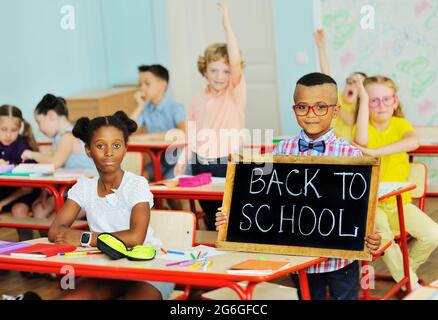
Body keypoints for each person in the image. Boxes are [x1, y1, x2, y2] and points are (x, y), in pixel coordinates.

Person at [216, 72, 381, 300]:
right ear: (294, 109)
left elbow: (361, 208)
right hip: (299, 257)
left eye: (320, 106)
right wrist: (232, 217)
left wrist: (370, 233)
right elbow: (263, 198)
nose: (311, 114)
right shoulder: (282, 151)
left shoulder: (351, 155)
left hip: (342, 257)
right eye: (303, 107)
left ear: (335, 110)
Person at [46, 111, 174, 300]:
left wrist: (84, 238)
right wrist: (81, 238)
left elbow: (135, 237)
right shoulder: (84, 187)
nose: (109, 152)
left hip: (150, 265)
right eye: (100, 146)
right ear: (88, 150)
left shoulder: (136, 184)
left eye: (116, 145)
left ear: (125, 148)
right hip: (108, 266)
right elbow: (54, 231)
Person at [354, 75, 438, 291]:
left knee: (433, 234)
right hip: (373, 207)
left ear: (395, 101)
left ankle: (405, 276)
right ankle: (410, 284)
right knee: (386, 239)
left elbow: (413, 141)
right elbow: (362, 142)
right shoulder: (362, 127)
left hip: (399, 203)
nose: (380, 105)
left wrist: (375, 153)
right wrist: (362, 97)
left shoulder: (400, 124)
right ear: (365, 104)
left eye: (386, 99)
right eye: (373, 100)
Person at [174, 3, 246, 230]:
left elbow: (234, 60)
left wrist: (227, 23)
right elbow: (192, 133)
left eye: (225, 71)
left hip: (226, 161)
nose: (220, 76)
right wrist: (183, 157)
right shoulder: (197, 99)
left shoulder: (234, 93)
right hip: (200, 161)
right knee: (209, 212)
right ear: (204, 70)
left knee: (229, 214)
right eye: (214, 70)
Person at [21, 94, 94, 220]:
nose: (39, 128)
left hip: (88, 193)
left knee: (55, 220)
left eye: (39, 122)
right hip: (69, 190)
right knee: (39, 211)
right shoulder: (58, 138)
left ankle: (54, 238)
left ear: (50, 116)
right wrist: (45, 192)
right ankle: (44, 239)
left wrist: (31, 154)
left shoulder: (68, 136)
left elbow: (54, 163)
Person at [130, 64, 186, 210]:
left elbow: (181, 133)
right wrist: (140, 105)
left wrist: (146, 137)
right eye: (140, 84)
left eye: (147, 83)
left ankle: (180, 217)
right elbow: (129, 129)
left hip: (177, 161)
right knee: (141, 178)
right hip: (158, 162)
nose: (142, 88)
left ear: (162, 86)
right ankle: (154, 216)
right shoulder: (146, 108)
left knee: (166, 186)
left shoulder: (175, 108)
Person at [314, 28, 367, 141]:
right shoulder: (338, 97)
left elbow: (351, 119)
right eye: (349, 81)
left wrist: (333, 101)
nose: (352, 85)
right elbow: (326, 76)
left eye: (357, 84)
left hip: (346, 149)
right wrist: (321, 47)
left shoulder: (361, 107)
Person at [0, 104, 41, 241]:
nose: (8, 134)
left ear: (20, 129)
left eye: (13, 130)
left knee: (19, 210)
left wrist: (3, 203)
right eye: (3, 129)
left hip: (22, 194)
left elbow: (27, 188)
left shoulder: (23, 149)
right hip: (3, 193)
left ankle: (25, 244)